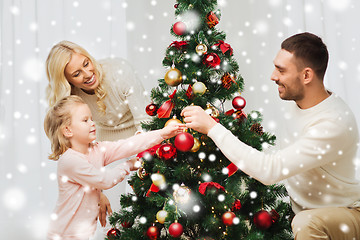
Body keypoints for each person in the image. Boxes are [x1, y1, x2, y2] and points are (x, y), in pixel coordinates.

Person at [181, 32, 360, 239]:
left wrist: (212, 128)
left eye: (281, 70)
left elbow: (269, 170)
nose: (273, 76)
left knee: (306, 222)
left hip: (347, 213)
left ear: (306, 76)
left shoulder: (332, 124)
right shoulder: (300, 103)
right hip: (309, 210)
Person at [44, 95, 184, 240]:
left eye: (91, 118)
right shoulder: (70, 161)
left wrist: (162, 133)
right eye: (85, 120)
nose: (92, 123)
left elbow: (127, 145)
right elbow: (105, 180)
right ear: (68, 131)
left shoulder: (97, 149)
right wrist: (129, 165)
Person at [45, 40, 150, 232]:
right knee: (111, 213)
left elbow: (144, 119)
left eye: (86, 64)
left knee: (151, 203)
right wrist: (98, 192)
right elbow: (79, 152)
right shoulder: (71, 98)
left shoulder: (119, 71)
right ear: (67, 81)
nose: (87, 74)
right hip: (104, 142)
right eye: (76, 74)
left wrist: (142, 159)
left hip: (139, 135)